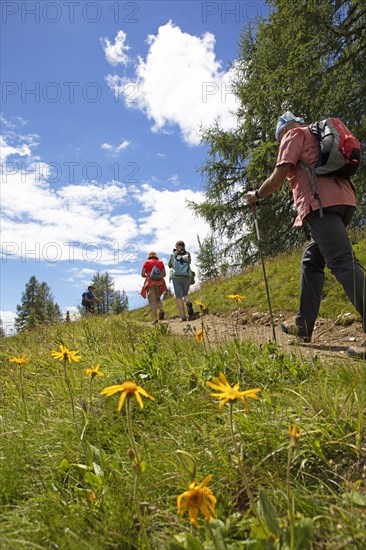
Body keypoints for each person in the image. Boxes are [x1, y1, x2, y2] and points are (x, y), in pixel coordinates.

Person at [246, 111, 365, 359]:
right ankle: (303, 326)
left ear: (282, 132)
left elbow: (278, 177)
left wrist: (256, 195)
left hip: (321, 205)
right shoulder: (316, 135)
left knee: (343, 263)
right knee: (312, 260)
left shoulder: (293, 135)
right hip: (343, 202)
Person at [168, 240, 195, 322]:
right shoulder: (187, 254)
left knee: (179, 297)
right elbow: (189, 262)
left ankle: (183, 316)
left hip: (176, 277)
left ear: (176, 246)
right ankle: (188, 302)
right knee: (185, 293)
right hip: (186, 276)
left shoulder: (173, 255)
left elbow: (170, 265)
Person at [140, 251, 167, 325]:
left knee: (152, 300)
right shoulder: (160, 262)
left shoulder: (146, 263)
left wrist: (148, 275)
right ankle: (161, 309)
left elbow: (142, 274)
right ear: (156, 256)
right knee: (158, 298)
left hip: (150, 282)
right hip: (159, 282)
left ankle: (155, 319)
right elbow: (164, 274)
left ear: (149, 256)